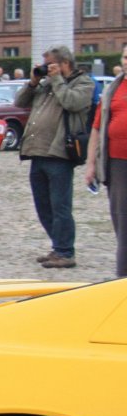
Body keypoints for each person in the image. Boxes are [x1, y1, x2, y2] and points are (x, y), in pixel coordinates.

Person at [17, 45, 96, 269]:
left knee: (60, 206)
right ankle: (58, 246)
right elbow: (20, 102)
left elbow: (72, 102)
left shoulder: (83, 83)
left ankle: (65, 252)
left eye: (50, 64)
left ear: (64, 64)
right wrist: (33, 82)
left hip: (60, 152)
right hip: (37, 151)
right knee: (43, 206)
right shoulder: (46, 84)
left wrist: (57, 80)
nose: (46, 68)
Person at [84, 47, 127, 277]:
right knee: (122, 219)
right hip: (118, 163)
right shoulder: (113, 90)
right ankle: (123, 275)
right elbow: (96, 128)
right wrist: (91, 164)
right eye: (126, 57)